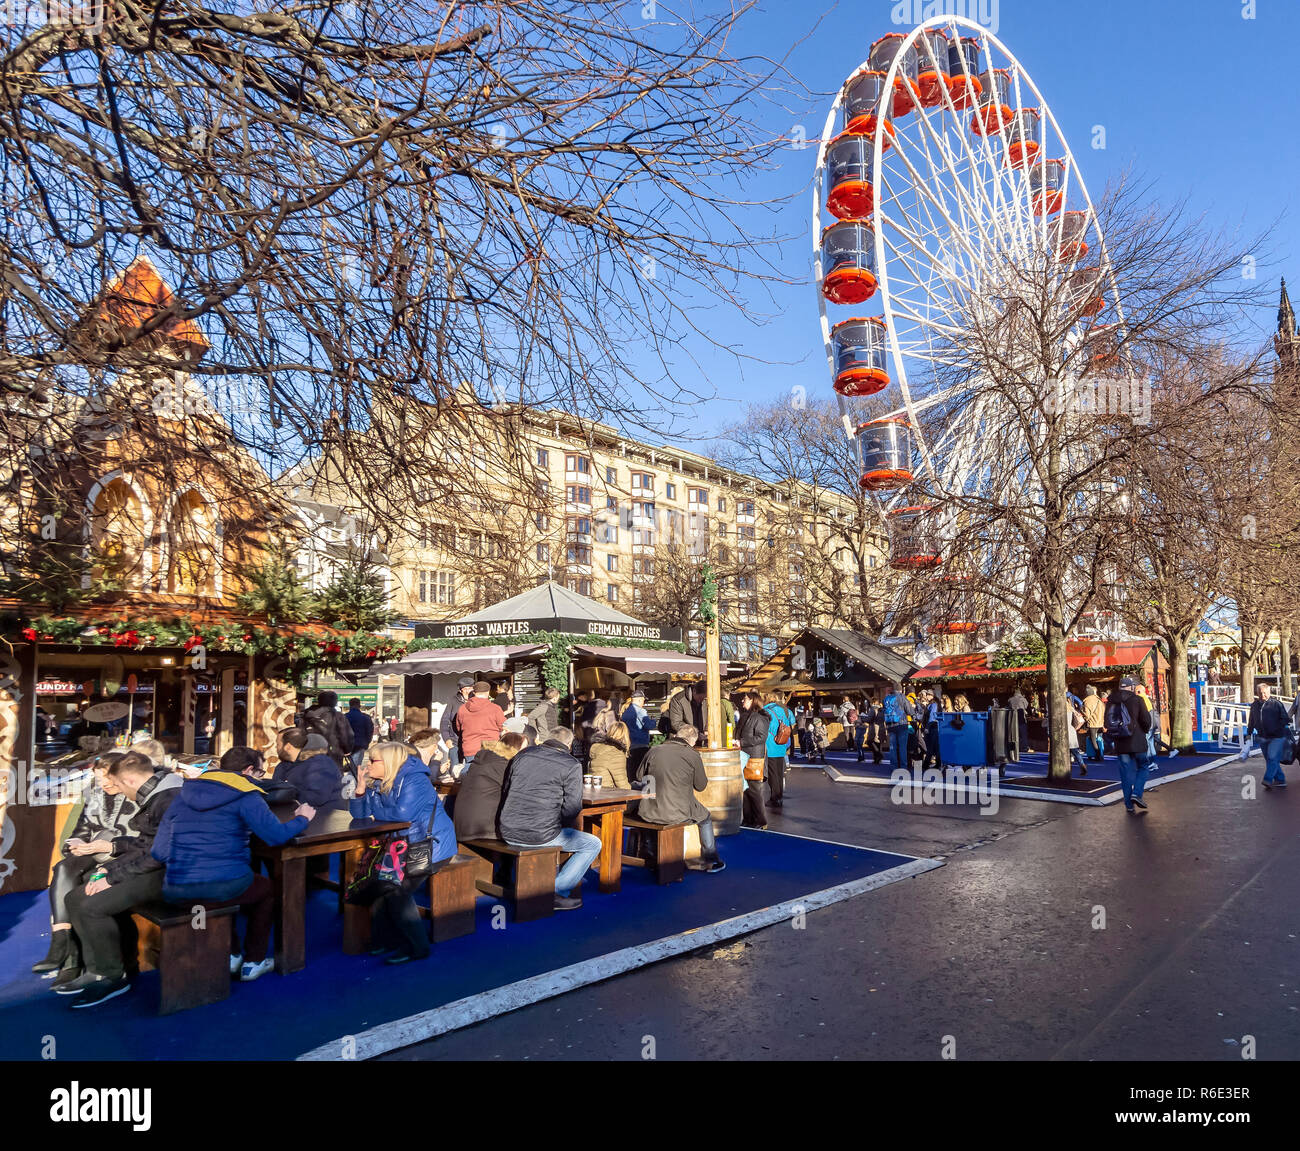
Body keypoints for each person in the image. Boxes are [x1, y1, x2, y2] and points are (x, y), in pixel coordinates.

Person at [152, 746, 315, 982]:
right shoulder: (246, 794)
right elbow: (276, 836)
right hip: (223, 884)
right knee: (266, 890)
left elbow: (159, 851)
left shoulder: (183, 794)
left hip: (177, 885)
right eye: (260, 773)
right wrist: (302, 817)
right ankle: (254, 960)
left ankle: (231, 953)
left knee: (215, 897)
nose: (260, 778)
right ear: (249, 770)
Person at [60, 752, 184, 1006]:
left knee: (91, 905)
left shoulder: (168, 799)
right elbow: (145, 846)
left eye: (115, 784)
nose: (113, 790)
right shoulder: (158, 794)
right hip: (155, 866)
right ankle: (96, 969)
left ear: (128, 781)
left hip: (174, 874)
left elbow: (160, 855)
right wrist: (112, 862)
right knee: (74, 897)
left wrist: (114, 875)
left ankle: (112, 976)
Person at [32, 752, 137, 988]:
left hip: (121, 857)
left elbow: (140, 841)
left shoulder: (136, 796)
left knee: (77, 890)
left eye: (107, 779)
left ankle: (71, 958)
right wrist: (76, 844)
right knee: (63, 869)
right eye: (98, 779)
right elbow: (80, 829)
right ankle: (62, 942)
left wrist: (109, 846)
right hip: (93, 852)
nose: (103, 784)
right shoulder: (94, 793)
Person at [350, 741, 457, 963]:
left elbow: (401, 814)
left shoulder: (414, 779)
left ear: (388, 762)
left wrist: (375, 811)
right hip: (402, 847)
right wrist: (360, 790)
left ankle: (417, 946)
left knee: (395, 890)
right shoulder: (378, 781)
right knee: (381, 884)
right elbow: (360, 816)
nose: (368, 765)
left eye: (372, 760)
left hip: (430, 846)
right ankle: (386, 939)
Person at [497, 726, 602, 911]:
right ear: (569, 744)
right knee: (593, 843)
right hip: (541, 834)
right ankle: (555, 891)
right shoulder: (571, 764)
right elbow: (572, 808)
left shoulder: (522, 755)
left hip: (506, 828)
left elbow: (506, 790)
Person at [635, 724, 725, 872]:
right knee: (705, 818)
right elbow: (701, 786)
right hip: (679, 810)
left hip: (649, 808)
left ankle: (649, 852)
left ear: (677, 735)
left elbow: (639, 777)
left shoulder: (654, 750)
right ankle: (711, 860)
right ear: (693, 741)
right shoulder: (692, 755)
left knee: (653, 812)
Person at [454, 731, 526, 843]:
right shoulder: (504, 766)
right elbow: (518, 796)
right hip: (483, 828)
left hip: (462, 825)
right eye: (524, 749)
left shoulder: (483, 761)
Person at [1107, 676, 1154, 815]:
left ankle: (1129, 805)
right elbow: (1146, 721)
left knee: (1125, 774)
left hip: (1120, 742)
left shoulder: (1111, 701)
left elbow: (1108, 721)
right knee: (1143, 767)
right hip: (1137, 740)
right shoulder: (1137, 700)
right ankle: (1137, 793)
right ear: (1132, 687)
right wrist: (1143, 730)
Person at [273, 727, 346, 810]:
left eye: (278, 744)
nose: (276, 748)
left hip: (326, 816)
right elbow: (275, 790)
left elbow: (317, 797)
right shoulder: (283, 766)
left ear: (288, 747)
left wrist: (288, 792)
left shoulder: (320, 763)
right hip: (293, 813)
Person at [1245, 682, 1290, 790]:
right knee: (1270, 759)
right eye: (1260, 693)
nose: (1262, 695)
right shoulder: (1254, 705)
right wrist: (1249, 733)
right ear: (1257, 693)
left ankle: (1268, 779)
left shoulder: (1276, 704)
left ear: (1269, 692)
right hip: (1262, 736)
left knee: (1272, 757)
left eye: (1264, 693)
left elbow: (1285, 718)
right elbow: (1251, 720)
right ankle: (1280, 780)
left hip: (1277, 737)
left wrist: (1277, 728)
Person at [736, 692, 770, 829]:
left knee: (755, 790)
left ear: (752, 700)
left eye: (745, 698)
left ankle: (761, 821)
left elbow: (761, 737)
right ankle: (748, 819)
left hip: (754, 757)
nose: (742, 700)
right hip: (744, 755)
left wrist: (741, 742)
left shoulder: (760, 718)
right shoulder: (745, 716)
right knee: (746, 789)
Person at [453, 681, 506, 761]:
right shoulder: (495, 709)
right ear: (488, 693)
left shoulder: (462, 709)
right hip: (490, 748)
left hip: (470, 749)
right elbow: (503, 727)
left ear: (474, 692)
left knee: (471, 772)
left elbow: (458, 728)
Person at [300, 690, 354, 768]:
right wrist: (347, 750)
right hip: (333, 754)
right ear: (334, 702)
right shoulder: (338, 716)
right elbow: (345, 735)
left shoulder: (306, 715)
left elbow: (300, 733)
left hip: (308, 753)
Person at [762, 692, 796, 809]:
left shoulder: (765, 711)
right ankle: (780, 796)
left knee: (772, 775)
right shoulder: (784, 710)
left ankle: (774, 798)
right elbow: (790, 725)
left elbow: (764, 728)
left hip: (770, 745)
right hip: (781, 744)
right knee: (779, 773)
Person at [440, 676, 476, 771]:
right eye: (465, 689)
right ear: (461, 690)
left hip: (472, 742)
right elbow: (444, 721)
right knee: (454, 771)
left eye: (470, 688)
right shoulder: (453, 701)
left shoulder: (477, 702)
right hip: (455, 742)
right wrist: (447, 739)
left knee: (471, 771)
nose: (468, 691)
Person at [881, 681, 916, 775]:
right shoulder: (902, 697)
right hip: (901, 725)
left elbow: (883, 710)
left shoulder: (887, 698)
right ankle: (903, 767)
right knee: (902, 747)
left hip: (890, 725)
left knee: (893, 747)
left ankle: (894, 767)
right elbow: (909, 711)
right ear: (901, 689)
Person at [589, 719, 632, 789]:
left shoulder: (598, 748)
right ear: (625, 737)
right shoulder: (616, 753)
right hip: (609, 795)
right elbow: (622, 785)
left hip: (595, 792)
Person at [622, 690, 655, 777]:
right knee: (640, 772)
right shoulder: (641, 711)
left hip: (630, 745)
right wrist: (653, 720)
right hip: (641, 745)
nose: (643, 703)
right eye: (643, 700)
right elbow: (649, 726)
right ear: (640, 700)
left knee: (631, 772)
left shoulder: (626, 712)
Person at [346, 698, 374, 770]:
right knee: (356, 767)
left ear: (350, 705)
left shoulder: (344, 717)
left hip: (347, 745)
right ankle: (354, 779)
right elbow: (370, 731)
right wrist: (367, 742)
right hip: (360, 744)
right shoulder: (365, 717)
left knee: (352, 767)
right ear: (359, 705)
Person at [921, 688, 944, 770]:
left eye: (927, 695)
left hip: (932, 727)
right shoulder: (932, 703)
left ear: (931, 695)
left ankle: (926, 765)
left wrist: (927, 727)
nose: (926, 696)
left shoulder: (933, 704)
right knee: (935, 747)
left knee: (930, 747)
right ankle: (938, 763)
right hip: (934, 727)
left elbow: (932, 716)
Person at [1082, 685, 1106, 762]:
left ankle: (1097, 754)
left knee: (1093, 739)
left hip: (1093, 723)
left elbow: (1087, 714)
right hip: (1100, 722)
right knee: (1099, 739)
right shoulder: (1099, 699)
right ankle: (1101, 754)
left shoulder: (1087, 701)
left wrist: (1082, 714)